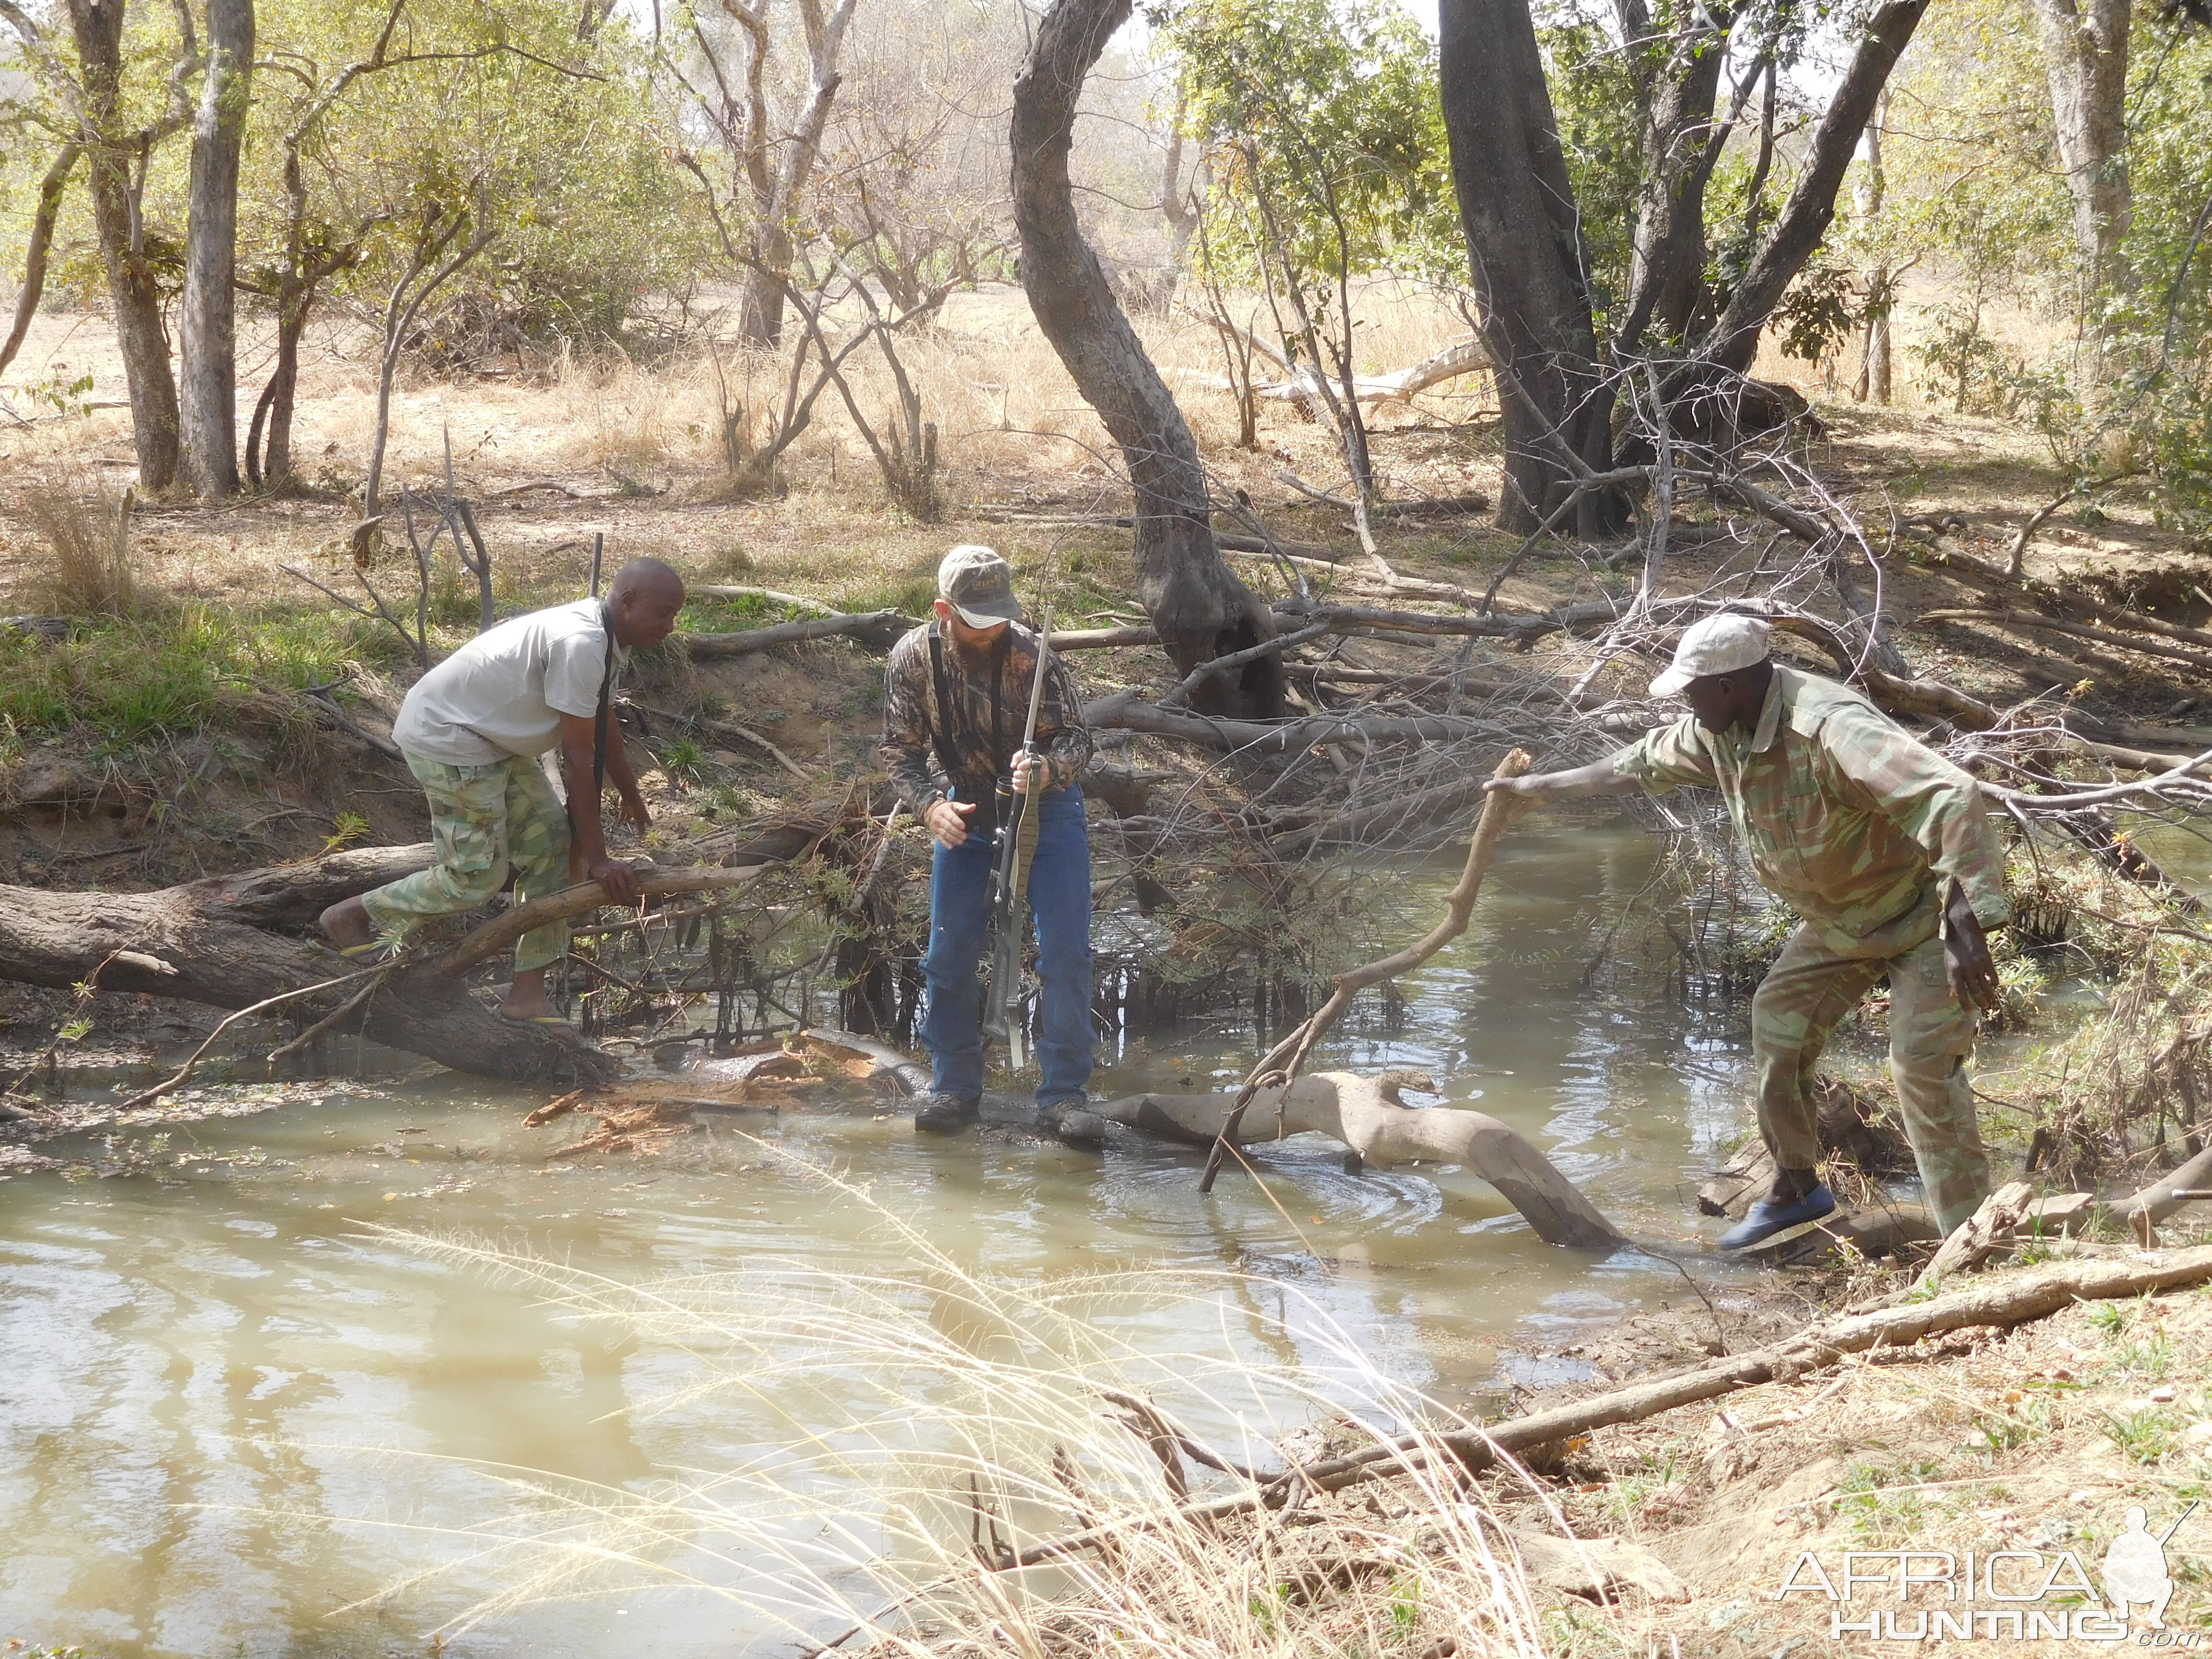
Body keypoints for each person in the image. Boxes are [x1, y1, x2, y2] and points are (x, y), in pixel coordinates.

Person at [1488, 613, 2010, 1250]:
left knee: (1921, 1068)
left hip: (1923, 916)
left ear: (1731, 685)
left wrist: (1965, 920)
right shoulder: (1721, 729)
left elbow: (1951, 795)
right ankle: (1796, 1188)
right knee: (1778, 1026)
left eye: (1691, 690)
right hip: (1841, 923)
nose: (1685, 701)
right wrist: (1536, 788)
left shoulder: (1829, 726)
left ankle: (1977, 1240)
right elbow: (1637, 764)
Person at [319, 557, 687, 1023]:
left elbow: (602, 720)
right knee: (475, 876)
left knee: (553, 844)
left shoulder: (608, 638)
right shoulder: (582, 643)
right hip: (449, 737)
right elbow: (577, 760)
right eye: (664, 612)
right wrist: (598, 861)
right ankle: (355, 915)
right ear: (628, 602)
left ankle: (525, 996)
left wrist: (630, 792)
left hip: (491, 740)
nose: (671, 626)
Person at [880, 545, 1098, 1139]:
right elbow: (897, 754)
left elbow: (1079, 741)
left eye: (1001, 614)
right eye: (979, 619)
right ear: (943, 611)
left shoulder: (1037, 655)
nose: (994, 629)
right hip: (963, 807)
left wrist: (1049, 771)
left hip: (1046, 811)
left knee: (1066, 954)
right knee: (948, 956)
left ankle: (1064, 1097)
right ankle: (954, 1087)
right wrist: (931, 808)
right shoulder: (911, 659)